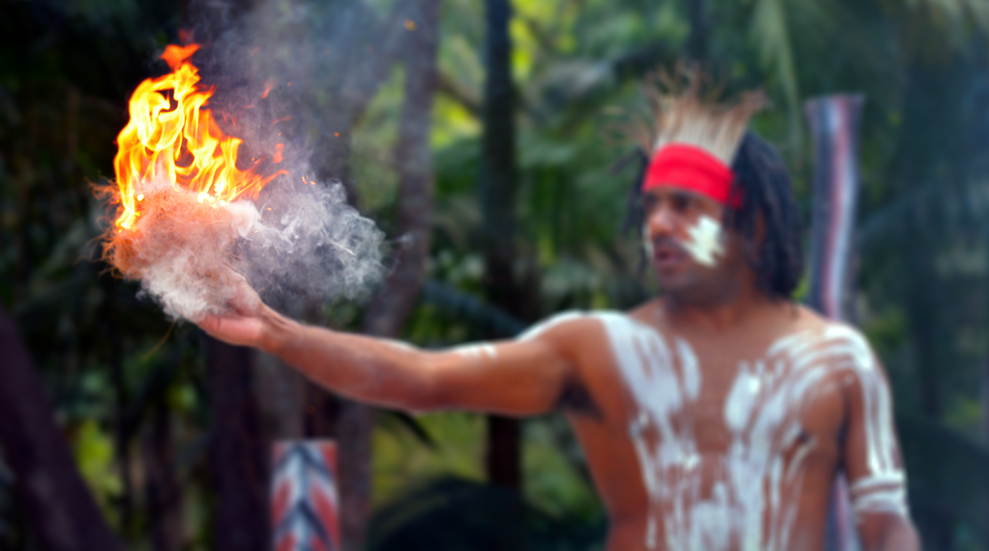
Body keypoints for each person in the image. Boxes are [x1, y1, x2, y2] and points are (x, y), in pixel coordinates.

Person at [198, 75, 920, 551]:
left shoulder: (840, 361)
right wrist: (276, 330)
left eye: (686, 206)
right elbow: (426, 380)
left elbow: (886, 527)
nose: (659, 225)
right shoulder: (598, 347)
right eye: (650, 206)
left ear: (751, 223)